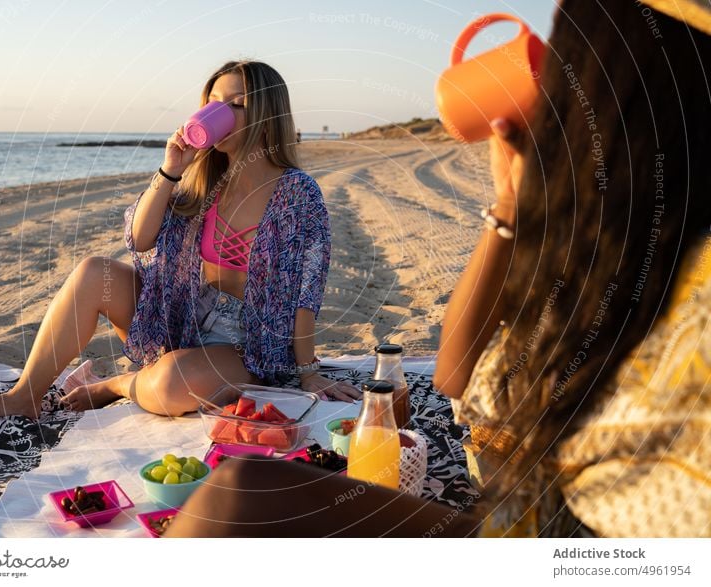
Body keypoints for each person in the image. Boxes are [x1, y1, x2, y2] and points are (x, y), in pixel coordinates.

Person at [164, 0, 711, 537]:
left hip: (559, 534)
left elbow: (462, 381)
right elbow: (457, 375)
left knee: (238, 494)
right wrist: (509, 208)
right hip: (533, 515)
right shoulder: (636, 240)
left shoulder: (295, 193)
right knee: (242, 486)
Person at [0, 60, 359, 421]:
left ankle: (116, 385)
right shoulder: (202, 178)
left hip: (247, 344)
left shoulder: (297, 193)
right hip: (180, 314)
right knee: (94, 272)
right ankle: (23, 396)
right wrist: (170, 170)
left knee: (169, 385)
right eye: (214, 101)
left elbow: (307, 291)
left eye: (237, 104)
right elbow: (140, 238)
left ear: (268, 115)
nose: (220, 112)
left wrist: (307, 373)